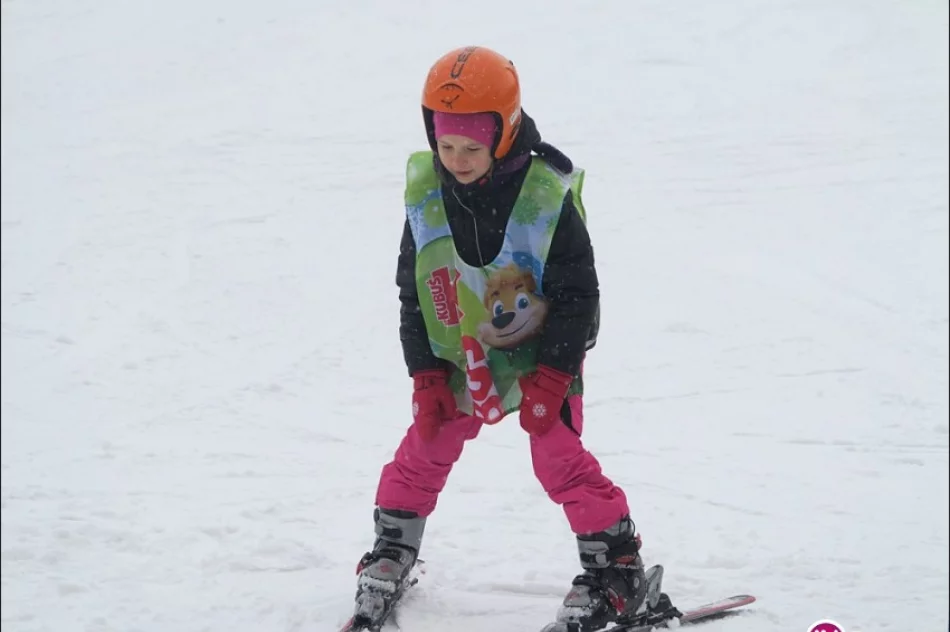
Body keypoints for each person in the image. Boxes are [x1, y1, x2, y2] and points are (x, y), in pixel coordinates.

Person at [350, 46, 648, 632]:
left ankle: (616, 565)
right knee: (427, 443)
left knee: (557, 455)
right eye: (445, 145)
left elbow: (579, 295)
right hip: (465, 349)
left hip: (543, 353)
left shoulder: (545, 197)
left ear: (505, 134)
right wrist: (426, 373)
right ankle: (392, 547)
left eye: (471, 147)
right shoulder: (428, 197)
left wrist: (555, 375)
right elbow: (414, 289)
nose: (456, 159)